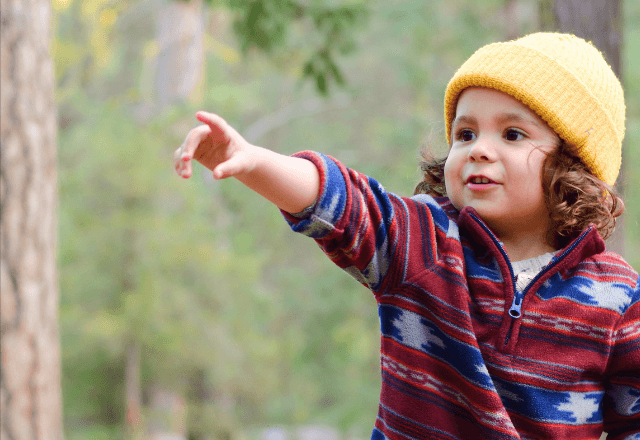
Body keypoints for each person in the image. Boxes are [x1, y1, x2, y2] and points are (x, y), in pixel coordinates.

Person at [173, 33, 640, 439]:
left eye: (513, 134)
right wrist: (255, 162)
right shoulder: (426, 242)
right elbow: (347, 205)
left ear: (573, 165)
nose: (479, 149)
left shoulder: (617, 296)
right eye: (465, 132)